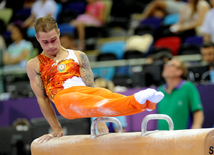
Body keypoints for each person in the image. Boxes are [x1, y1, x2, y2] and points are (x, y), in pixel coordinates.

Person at [26, 16, 164, 143]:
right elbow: (42, 99)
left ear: (59, 33)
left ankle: (145, 103)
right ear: (37, 38)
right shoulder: (34, 64)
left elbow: (92, 90)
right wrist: (56, 128)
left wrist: (100, 117)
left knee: (107, 95)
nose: (50, 45)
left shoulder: (79, 56)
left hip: (84, 93)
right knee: (75, 98)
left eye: (53, 39)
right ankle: (135, 99)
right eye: (45, 42)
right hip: (63, 100)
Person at [157, 58, 204, 130]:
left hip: (181, 136)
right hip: (161, 136)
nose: (165, 66)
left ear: (179, 71)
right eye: (166, 64)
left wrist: (196, 129)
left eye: (170, 65)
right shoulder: (160, 90)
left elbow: (197, 111)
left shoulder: (188, 87)